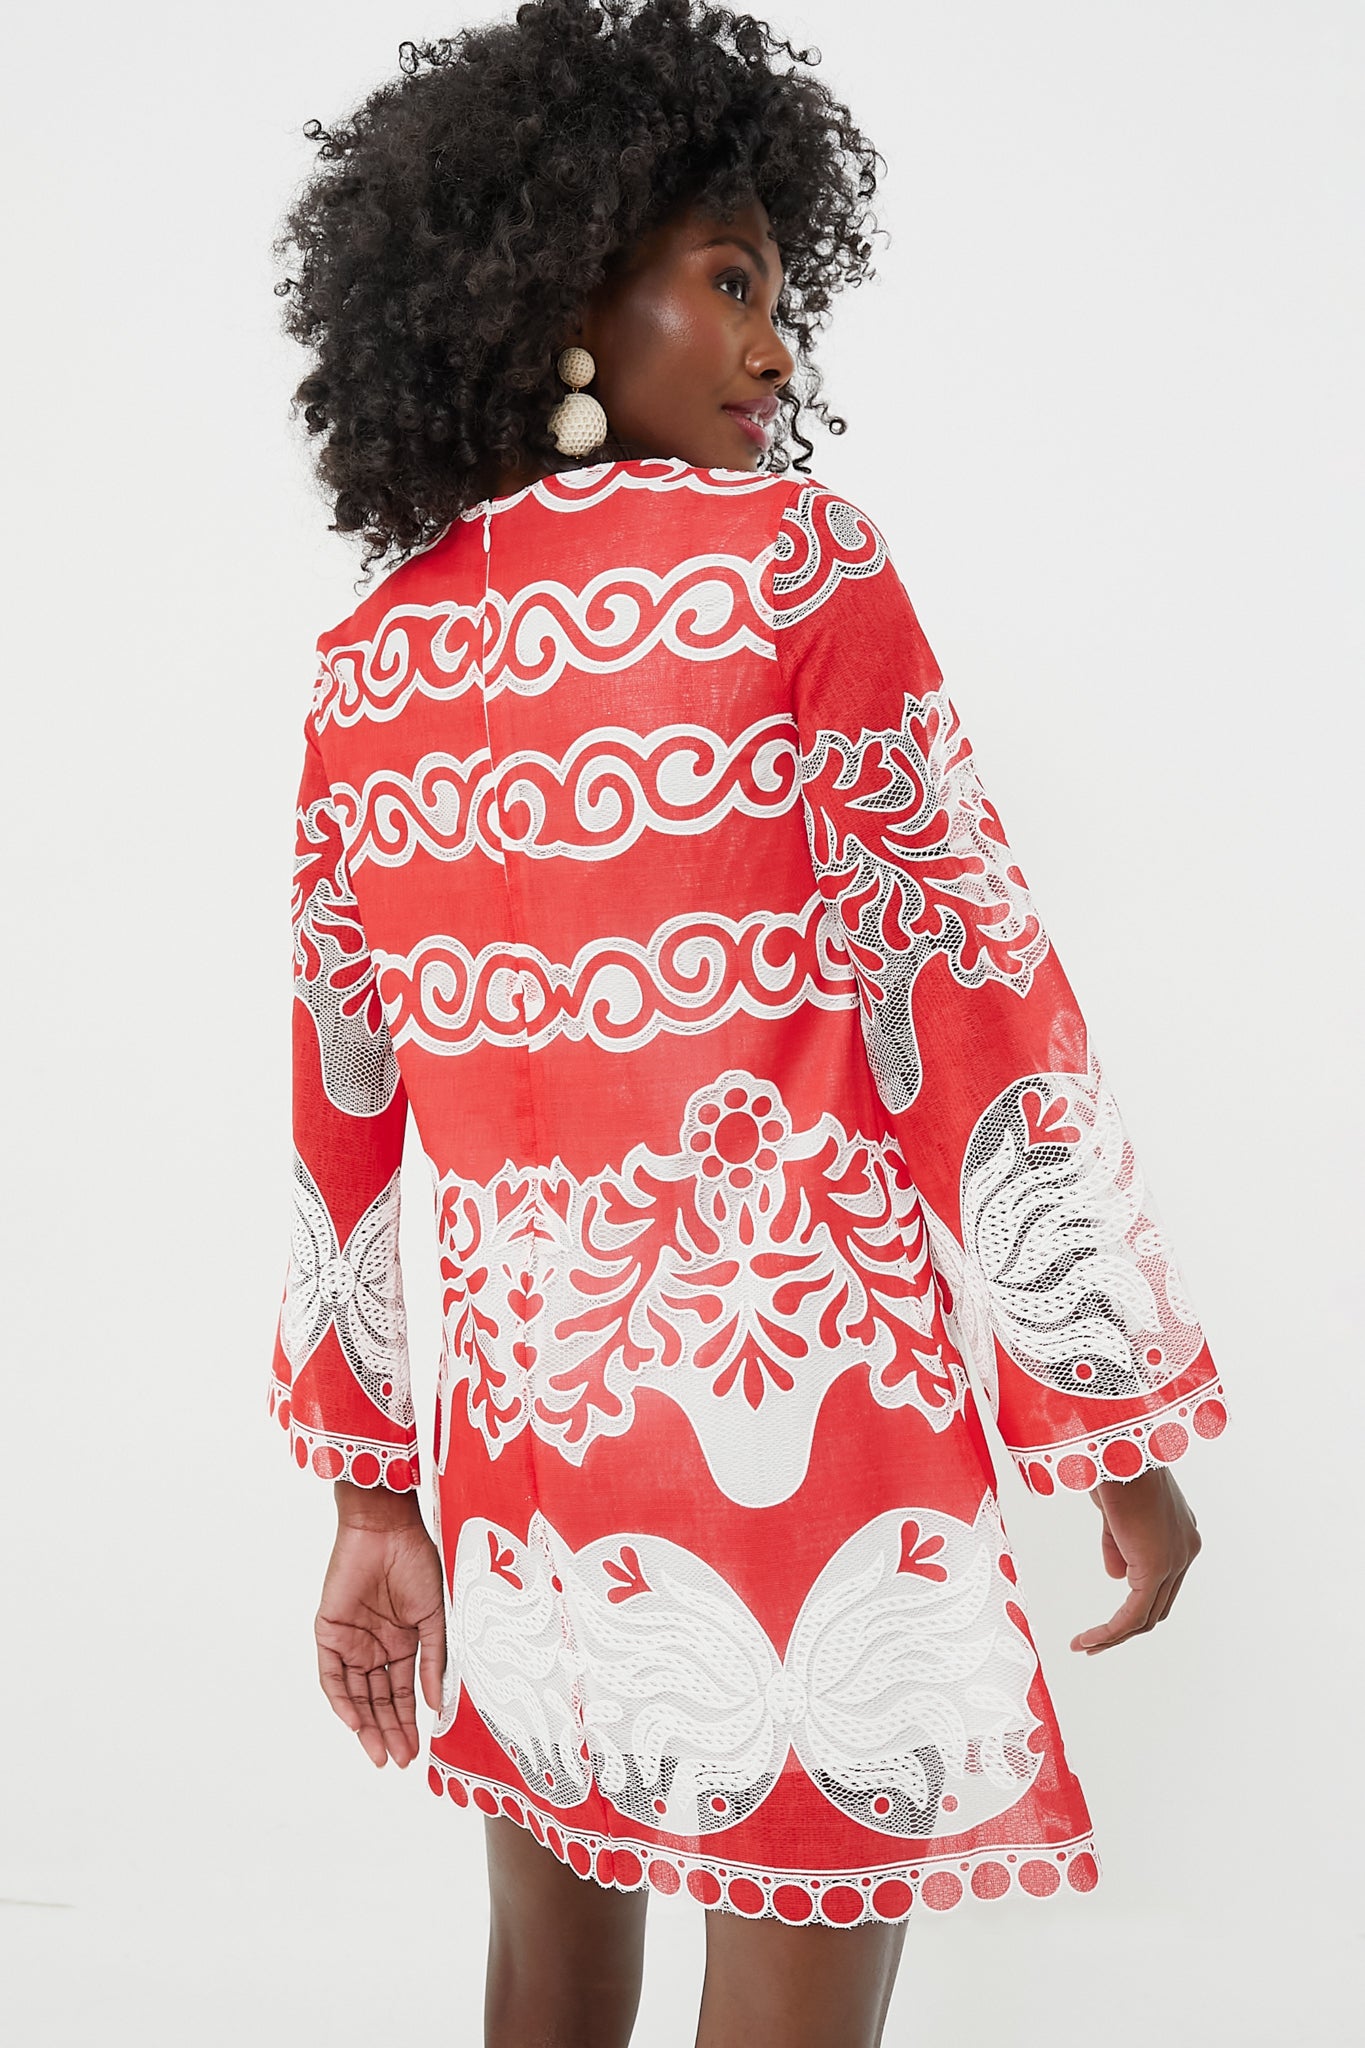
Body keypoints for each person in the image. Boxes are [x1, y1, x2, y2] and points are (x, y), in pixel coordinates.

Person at [268, 5, 1227, 2043]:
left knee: (542, 1990)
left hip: (525, 1461)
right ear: (561, 291)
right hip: (799, 1432)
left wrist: (371, 1500)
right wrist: (1112, 1420)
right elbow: (970, 996)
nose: (774, 348)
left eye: (779, 298)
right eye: (726, 280)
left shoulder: (366, 665)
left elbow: (343, 1114)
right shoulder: (794, 567)